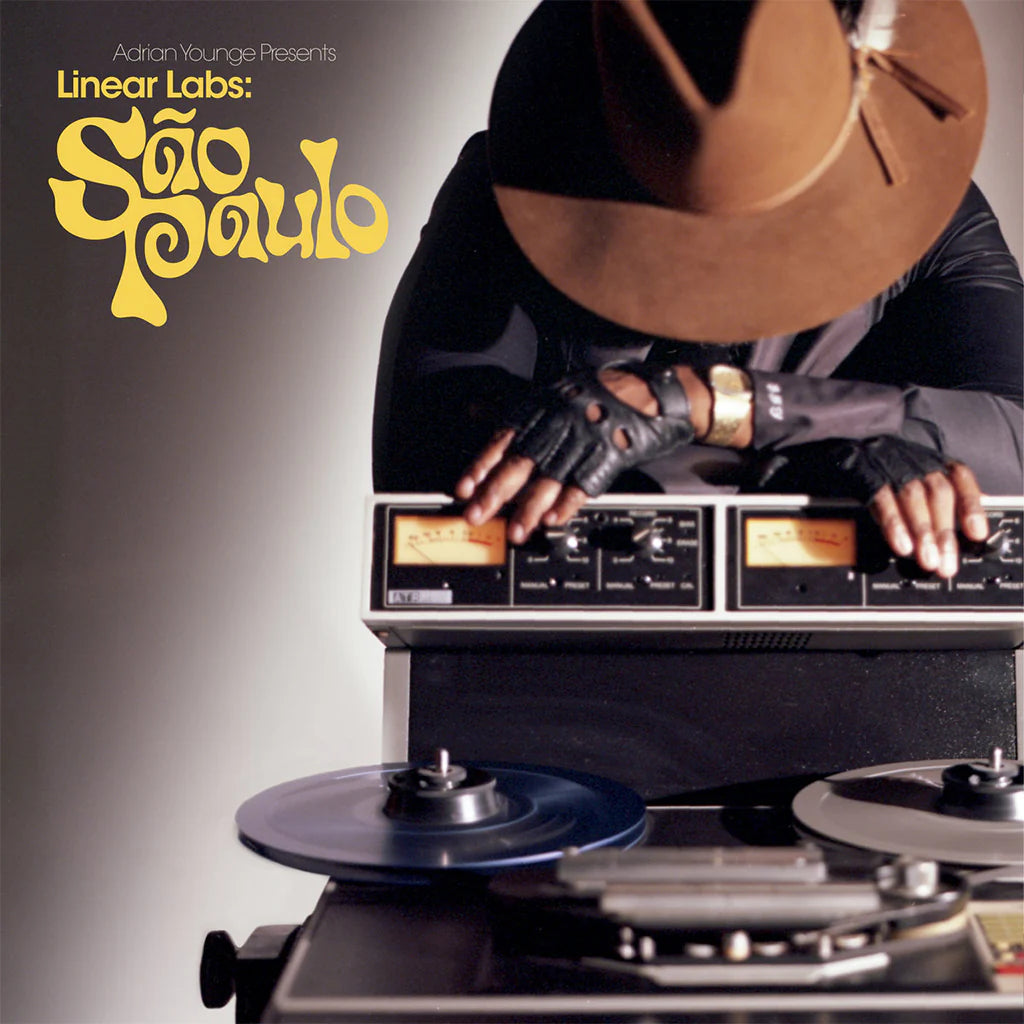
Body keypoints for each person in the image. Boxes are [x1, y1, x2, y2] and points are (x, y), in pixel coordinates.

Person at [373, 0, 1023, 580]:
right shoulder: (508, 189)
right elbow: (424, 458)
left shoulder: (923, 211)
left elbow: (1014, 433)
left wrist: (698, 400)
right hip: (559, 665)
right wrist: (827, 435)